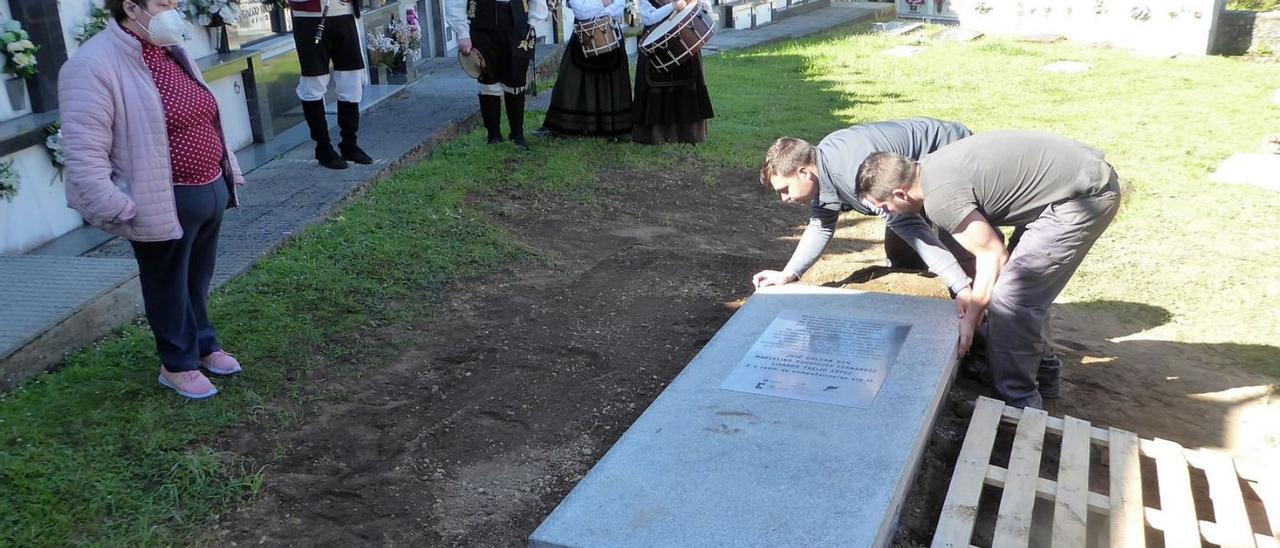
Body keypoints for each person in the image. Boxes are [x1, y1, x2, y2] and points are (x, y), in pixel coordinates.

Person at [60, 0, 247, 400]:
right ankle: (177, 364)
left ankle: (203, 344)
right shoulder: (93, 64)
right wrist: (115, 205)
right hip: (159, 201)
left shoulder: (169, 49)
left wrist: (227, 166)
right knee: (167, 285)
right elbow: (83, 148)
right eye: (164, 2)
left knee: (196, 280)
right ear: (130, 6)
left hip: (207, 188)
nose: (175, 10)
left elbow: (205, 114)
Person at [856, 131, 1122, 409]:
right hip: (1067, 186)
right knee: (1026, 287)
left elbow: (993, 255)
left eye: (885, 206)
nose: (889, 213)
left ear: (900, 192)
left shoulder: (940, 199)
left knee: (1012, 297)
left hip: (1083, 197)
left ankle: (1020, 402)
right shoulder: (930, 169)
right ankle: (1043, 373)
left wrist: (970, 320)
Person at [753, 118, 975, 298]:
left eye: (785, 189)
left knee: (962, 244)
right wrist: (789, 273)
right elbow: (820, 226)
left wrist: (960, 286)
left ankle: (984, 317)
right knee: (900, 249)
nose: (783, 198)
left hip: (949, 152)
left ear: (803, 172)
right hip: (908, 176)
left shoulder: (853, 176)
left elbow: (912, 228)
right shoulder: (822, 165)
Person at [447, 0, 549, 150]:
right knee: (488, 78)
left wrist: (533, 20)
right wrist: (462, 33)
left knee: (515, 77)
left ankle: (517, 134)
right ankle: (493, 135)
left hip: (517, 22)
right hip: (482, 22)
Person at [289, 0, 373, 170]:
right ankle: (323, 148)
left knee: (351, 79)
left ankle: (349, 144)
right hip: (309, 18)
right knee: (314, 82)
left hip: (345, 14)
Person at [539, 0, 632, 137]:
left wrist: (600, 7)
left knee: (612, 81)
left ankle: (611, 127)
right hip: (582, 37)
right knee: (569, 81)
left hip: (610, 34)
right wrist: (604, 3)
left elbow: (618, 9)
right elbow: (582, 12)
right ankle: (570, 125)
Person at [632, 0, 714, 144]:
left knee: (687, 84)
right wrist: (672, 6)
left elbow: (705, 7)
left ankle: (689, 134)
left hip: (684, 37)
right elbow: (648, 18)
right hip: (654, 40)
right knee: (654, 84)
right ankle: (655, 135)